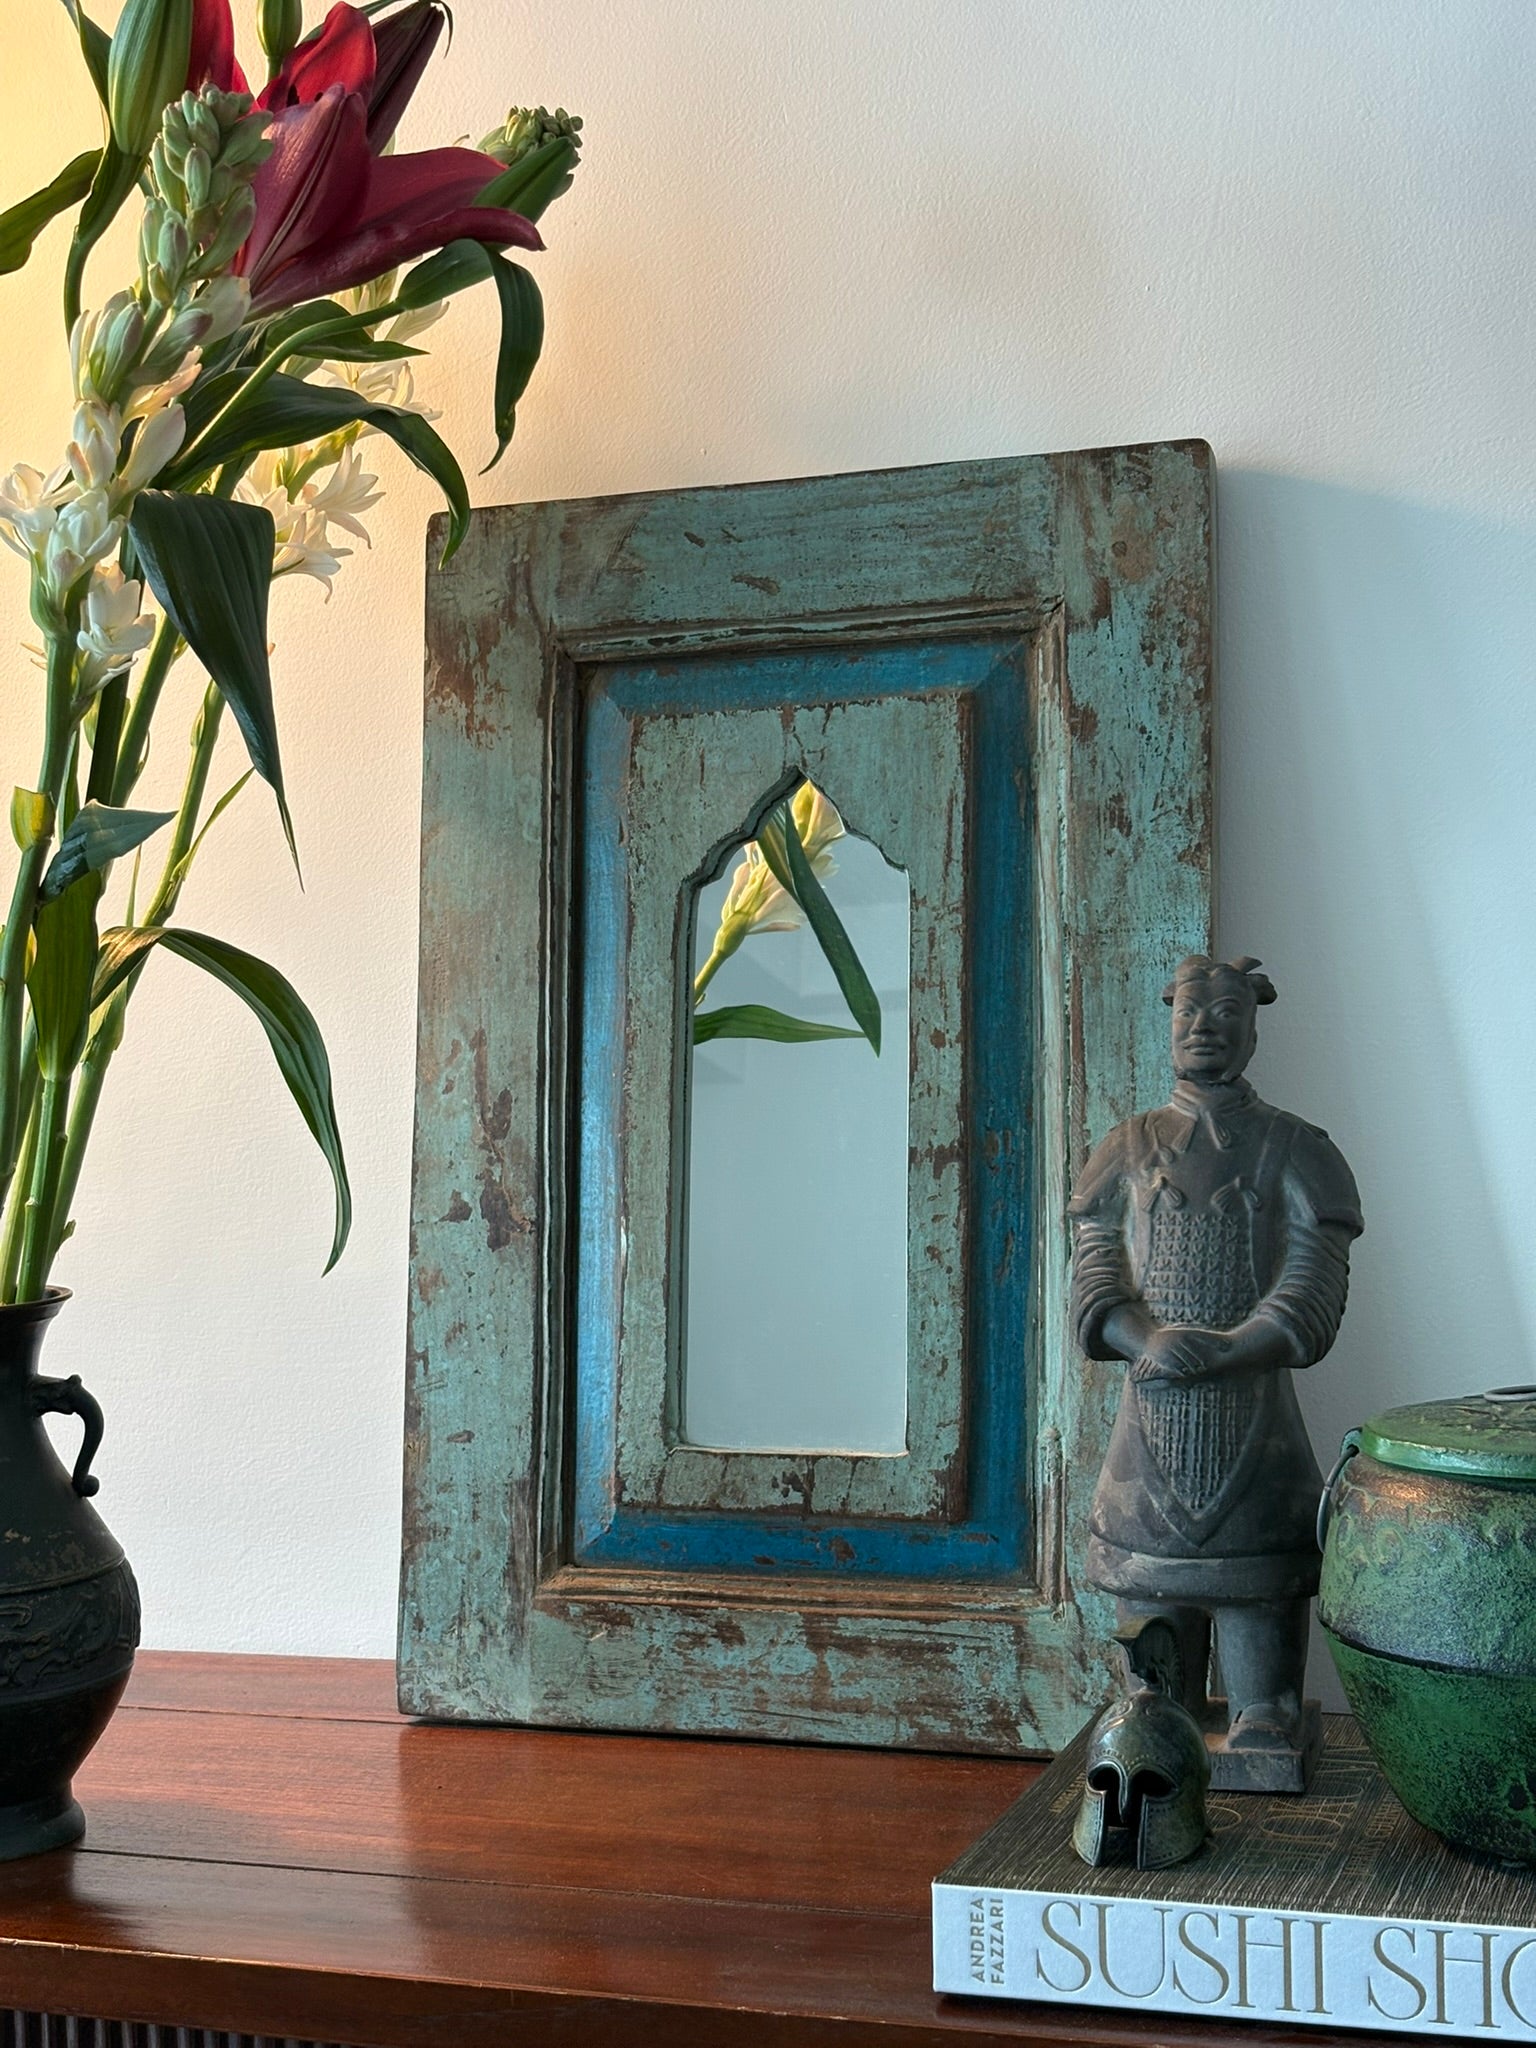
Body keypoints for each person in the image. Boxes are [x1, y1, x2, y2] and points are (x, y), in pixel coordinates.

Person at [1069, 955, 1363, 1763]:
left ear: (1253, 1026)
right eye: (1192, 1011)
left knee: (1259, 1597)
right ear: (1169, 1021)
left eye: (1226, 1012)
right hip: (1149, 1429)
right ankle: (1157, 1720)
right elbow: (1095, 1277)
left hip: (1258, 1423)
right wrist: (1146, 1338)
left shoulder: (1296, 1149)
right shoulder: (1124, 1150)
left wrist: (1237, 1347)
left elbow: (1313, 1285)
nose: (1206, 1026)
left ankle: (1263, 1712)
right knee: (1153, 1617)